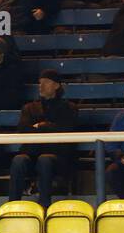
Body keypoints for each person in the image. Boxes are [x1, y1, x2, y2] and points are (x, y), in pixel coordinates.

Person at [10, 70, 79, 207]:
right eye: (40, 83)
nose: (41, 86)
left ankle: (44, 206)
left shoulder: (68, 108)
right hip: (33, 154)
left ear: (56, 85)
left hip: (58, 158)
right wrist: (50, 127)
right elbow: (23, 129)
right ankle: (12, 205)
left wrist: (41, 126)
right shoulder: (29, 108)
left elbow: (67, 129)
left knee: (45, 159)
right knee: (19, 160)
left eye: (46, 82)